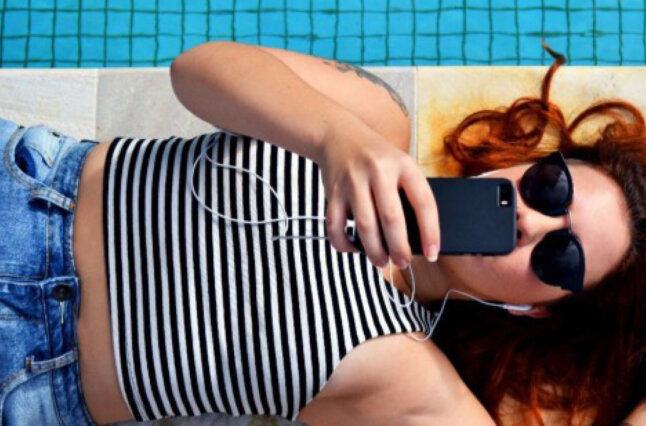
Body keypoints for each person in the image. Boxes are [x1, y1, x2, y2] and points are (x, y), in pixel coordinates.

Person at [0, 39, 642, 426]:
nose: (531, 218)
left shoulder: (410, 378)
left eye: (561, 256)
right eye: (552, 188)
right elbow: (195, 69)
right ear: (525, 165)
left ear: (535, 308)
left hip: (27, 369)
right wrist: (336, 137)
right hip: (31, 192)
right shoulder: (376, 120)